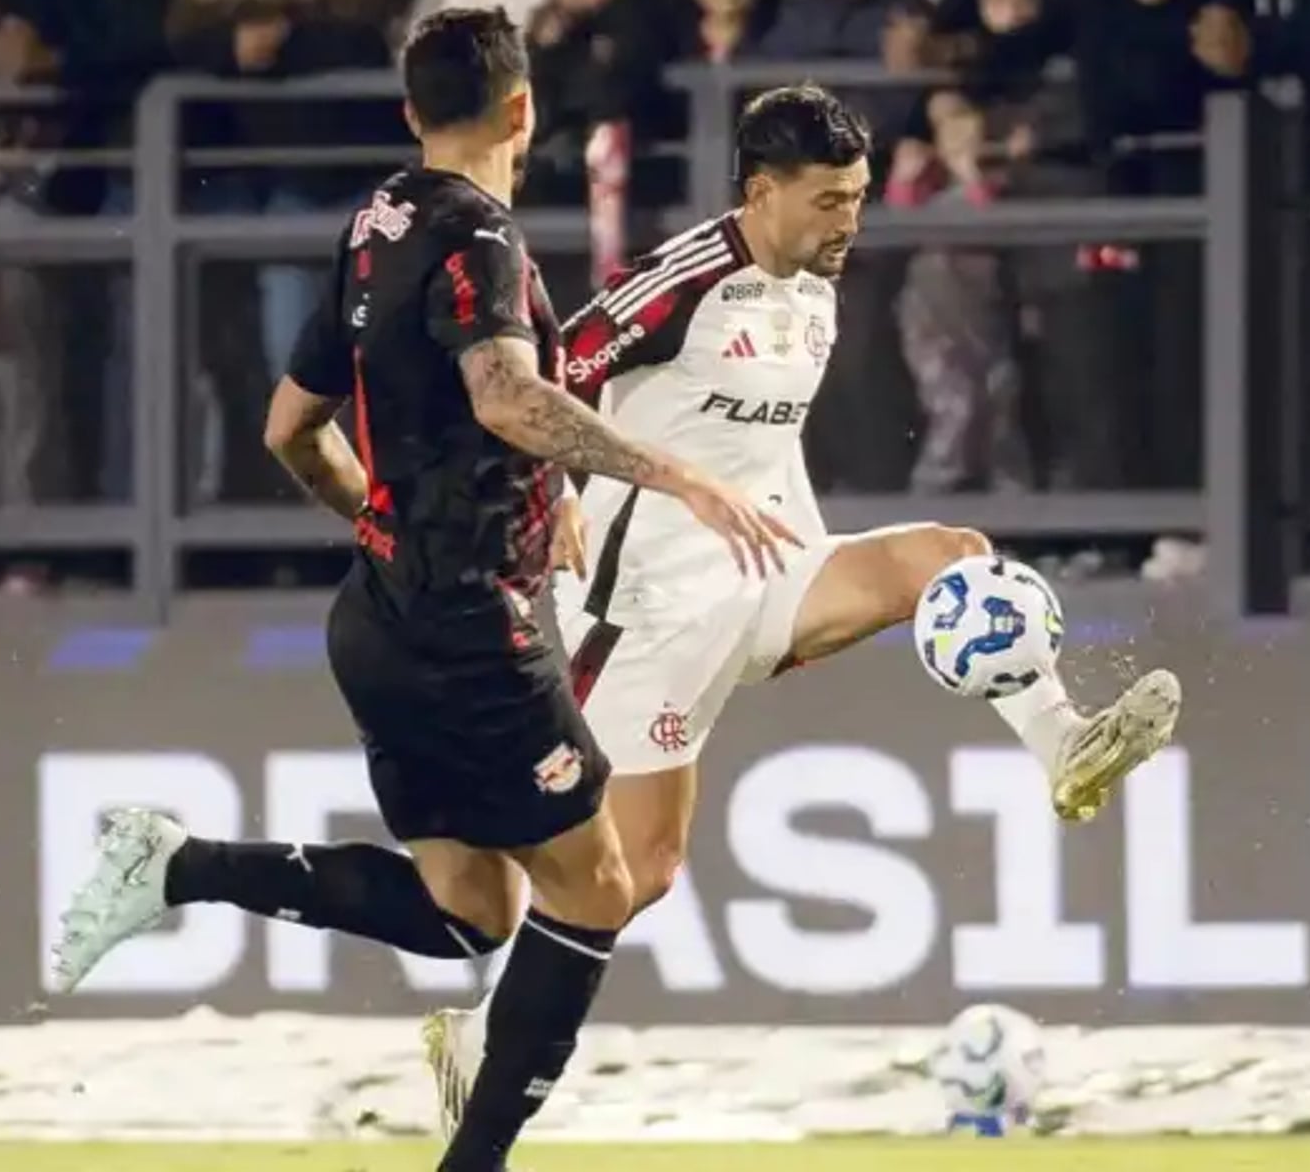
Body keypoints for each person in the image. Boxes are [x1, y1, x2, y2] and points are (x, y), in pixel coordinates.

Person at [44, 6, 793, 1172]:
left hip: (382, 614)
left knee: (474, 911)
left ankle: (176, 865)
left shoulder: (374, 222)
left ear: (410, 113)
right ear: (523, 108)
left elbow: (291, 428)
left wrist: (394, 526)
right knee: (598, 887)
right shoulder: (481, 240)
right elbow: (503, 395)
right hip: (468, 624)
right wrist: (671, 473)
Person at [424, 84, 1183, 1133]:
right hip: (645, 611)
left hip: (766, 573)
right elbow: (539, 379)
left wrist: (809, 556)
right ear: (762, 191)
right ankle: (482, 1032)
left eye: (859, 197)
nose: (848, 222)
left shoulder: (815, 295)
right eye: (827, 202)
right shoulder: (682, 282)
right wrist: (552, 497)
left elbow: (761, 447)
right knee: (630, 876)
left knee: (949, 557)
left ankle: (1064, 748)